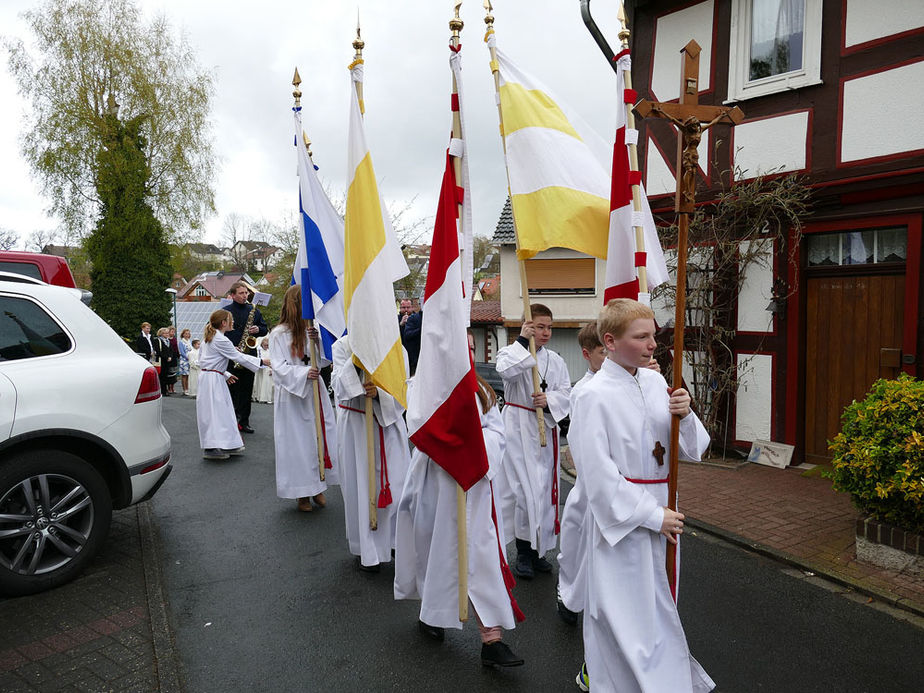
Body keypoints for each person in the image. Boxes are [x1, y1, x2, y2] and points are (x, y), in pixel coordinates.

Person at [569, 298, 713, 693]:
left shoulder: (653, 381)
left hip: (666, 509)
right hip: (627, 521)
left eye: (654, 335)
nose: (653, 345)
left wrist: (684, 415)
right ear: (611, 341)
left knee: (660, 610)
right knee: (624, 617)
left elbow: (693, 448)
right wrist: (652, 516)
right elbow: (597, 476)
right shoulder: (591, 396)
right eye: (642, 337)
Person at [394, 338, 525, 669]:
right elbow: (419, 427)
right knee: (436, 552)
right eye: (457, 344)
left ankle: (491, 639)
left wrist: (477, 452)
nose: (464, 351)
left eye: (469, 346)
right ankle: (432, 613)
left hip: (475, 483)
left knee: (479, 556)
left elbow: (497, 432)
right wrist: (454, 448)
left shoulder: (481, 390)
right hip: (436, 484)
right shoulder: (421, 385)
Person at [495, 303, 571, 580]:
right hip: (517, 429)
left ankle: (540, 550)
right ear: (527, 327)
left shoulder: (556, 360)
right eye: (540, 327)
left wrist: (549, 401)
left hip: (543, 431)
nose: (546, 332)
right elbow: (505, 371)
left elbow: (566, 392)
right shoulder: (510, 352)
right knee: (521, 493)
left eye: (549, 327)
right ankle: (523, 552)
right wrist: (521, 343)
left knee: (542, 493)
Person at [331, 334, 410, 572]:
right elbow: (337, 384)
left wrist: (381, 395)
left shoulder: (396, 347)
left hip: (388, 426)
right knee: (361, 488)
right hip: (357, 427)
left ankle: (396, 541)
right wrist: (356, 364)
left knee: (397, 486)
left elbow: (402, 387)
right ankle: (368, 549)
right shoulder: (342, 346)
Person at [270, 286, 338, 512]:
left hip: (313, 391)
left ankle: (317, 485)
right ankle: (301, 493)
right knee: (296, 443)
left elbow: (324, 361)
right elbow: (278, 367)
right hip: (293, 395)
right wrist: (301, 374)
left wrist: (317, 341)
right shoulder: (279, 333)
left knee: (316, 438)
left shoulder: (312, 329)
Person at [196, 309, 268, 461]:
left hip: (213, 378)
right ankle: (211, 447)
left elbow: (206, 361)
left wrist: (225, 373)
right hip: (212, 380)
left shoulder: (212, 338)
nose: (233, 322)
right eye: (231, 319)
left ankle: (228, 443)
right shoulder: (220, 339)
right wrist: (262, 362)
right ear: (224, 323)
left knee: (224, 412)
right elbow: (238, 357)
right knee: (213, 413)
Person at [224, 281, 268, 434]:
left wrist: (258, 329)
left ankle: (244, 421)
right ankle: (231, 420)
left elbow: (264, 328)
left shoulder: (253, 310)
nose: (245, 296)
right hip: (231, 355)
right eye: (241, 293)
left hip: (249, 355)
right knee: (232, 390)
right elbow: (217, 332)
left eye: (246, 293)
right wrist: (230, 346)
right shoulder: (225, 311)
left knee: (247, 390)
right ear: (233, 295)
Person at [398, 299, 422, 376]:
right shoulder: (396, 319)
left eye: (408, 307)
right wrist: (400, 325)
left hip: (414, 355)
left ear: (412, 307)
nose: (406, 310)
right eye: (403, 307)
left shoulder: (417, 318)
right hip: (401, 354)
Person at [154, 328, 177, 397]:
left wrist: (170, 356)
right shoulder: (158, 340)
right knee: (161, 376)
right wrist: (166, 357)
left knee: (166, 376)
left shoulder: (168, 341)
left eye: (167, 333)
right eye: (165, 333)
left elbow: (171, 350)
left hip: (168, 361)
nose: (167, 334)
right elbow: (158, 351)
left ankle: (166, 389)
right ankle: (163, 390)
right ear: (161, 334)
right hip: (161, 361)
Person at [253, 337, 274, 404]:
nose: (266, 347)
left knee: (267, 384)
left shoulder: (270, 351)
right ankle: (258, 397)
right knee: (259, 383)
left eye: (268, 345)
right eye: (265, 345)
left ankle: (267, 398)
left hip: (268, 369)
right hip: (261, 369)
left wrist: (272, 369)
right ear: (262, 344)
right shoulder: (259, 350)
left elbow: (272, 360)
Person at [166, 326, 180, 394]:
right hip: (169, 356)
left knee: (174, 372)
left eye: (174, 332)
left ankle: (172, 387)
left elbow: (176, 347)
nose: (173, 333)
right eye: (172, 331)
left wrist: (178, 355)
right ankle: (169, 387)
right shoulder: (167, 340)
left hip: (174, 356)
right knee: (169, 373)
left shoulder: (174, 339)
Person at [178, 328, 192, 395]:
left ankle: (188, 388)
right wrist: (188, 357)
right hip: (184, 360)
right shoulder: (181, 342)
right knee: (184, 376)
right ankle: (185, 389)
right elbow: (182, 352)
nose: (187, 335)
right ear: (183, 334)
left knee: (188, 375)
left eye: (188, 333)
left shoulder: (189, 341)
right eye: (186, 333)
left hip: (190, 360)